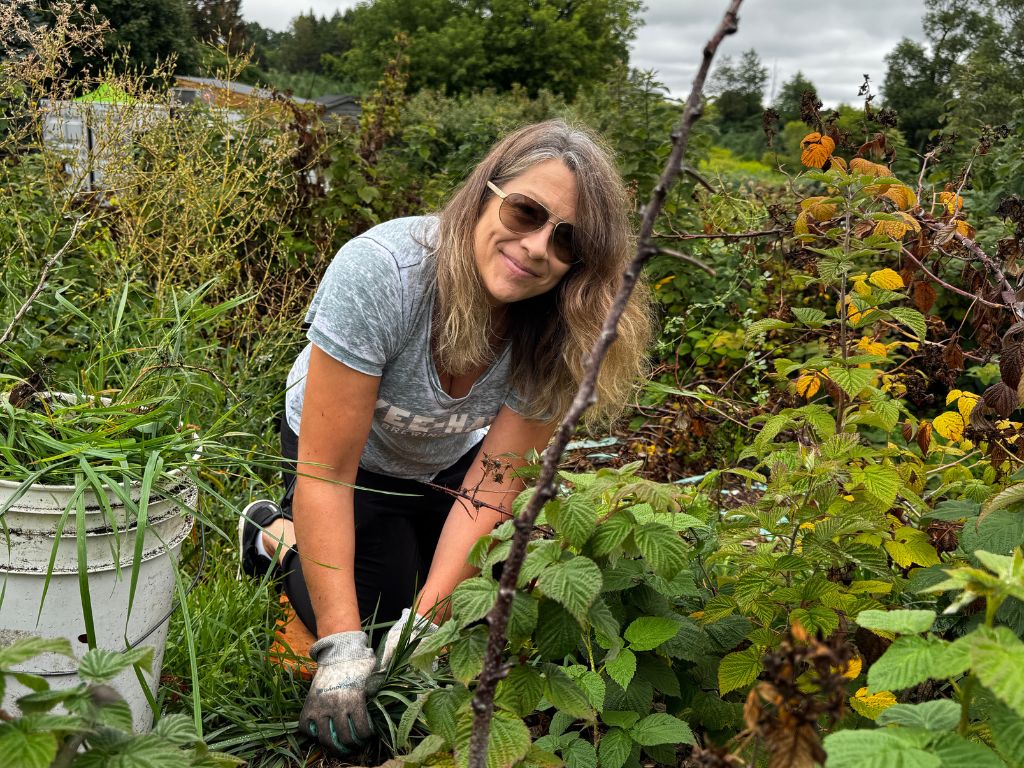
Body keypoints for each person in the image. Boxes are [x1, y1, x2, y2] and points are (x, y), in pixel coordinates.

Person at [238, 119, 652, 756]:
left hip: (442, 455)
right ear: (485, 192)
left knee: (440, 616)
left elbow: (491, 489)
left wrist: (423, 628)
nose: (538, 246)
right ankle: (272, 533)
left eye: (567, 240)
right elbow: (328, 474)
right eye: (525, 211)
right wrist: (344, 648)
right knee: (362, 616)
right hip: (347, 455)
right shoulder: (383, 273)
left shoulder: (564, 326)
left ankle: (349, 581)